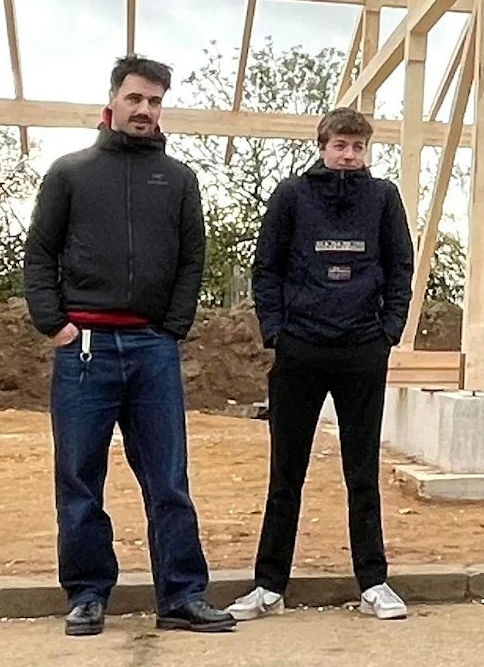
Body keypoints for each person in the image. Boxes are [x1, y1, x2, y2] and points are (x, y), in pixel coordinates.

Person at [22, 55, 234, 637]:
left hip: (151, 349)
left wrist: (172, 329)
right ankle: (88, 594)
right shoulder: (70, 173)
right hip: (83, 348)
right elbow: (39, 254)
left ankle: (182, 595)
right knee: (79, 477)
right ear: (112, 101)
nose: (145, 110)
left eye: (156, 101)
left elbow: (193, 260)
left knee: (168, 480)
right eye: (136, 98)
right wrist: (55, 326)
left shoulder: (179, 179)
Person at [227, 108, 416, 623]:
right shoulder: (292, 196)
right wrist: (277, 332)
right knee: (286, 471)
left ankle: (374, 582)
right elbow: (266, 265)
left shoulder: (383, 198)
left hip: (362, 349)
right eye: (340, 146)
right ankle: (269, 586)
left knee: (363, 472)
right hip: (301, 349)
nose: (349, 155)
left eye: (358, 147)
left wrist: (388, 332)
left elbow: (402, 266)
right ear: (323, 146)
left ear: (367, 151)